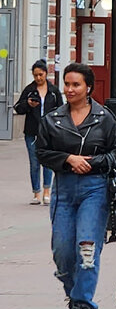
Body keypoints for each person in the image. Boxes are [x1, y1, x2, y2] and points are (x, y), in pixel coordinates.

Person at [36, 62, 116, 309]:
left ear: (88, 87)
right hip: (64, 189)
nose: (70, 89)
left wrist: (92, 163)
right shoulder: (53, 119)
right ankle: (73, 293)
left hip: (94, 189)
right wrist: (68, 159)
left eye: (76, 84)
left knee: (86, 248)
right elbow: (41, 152)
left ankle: (82, 306)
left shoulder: (104, 117)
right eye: (67, 84)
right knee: (63, 252)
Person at [15, 59, 62, 205]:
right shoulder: (29, 90)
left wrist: (57, 126)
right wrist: (28, 104)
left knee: (47, 161)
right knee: (34, 162)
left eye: (41, 75)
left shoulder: (53, 91)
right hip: (32, 131)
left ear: (46, 74)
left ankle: (46, 192)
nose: (38, 78)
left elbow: (61, 109)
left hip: (49, 132)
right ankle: (36, 193)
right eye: (35, 75)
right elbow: (18, 108)